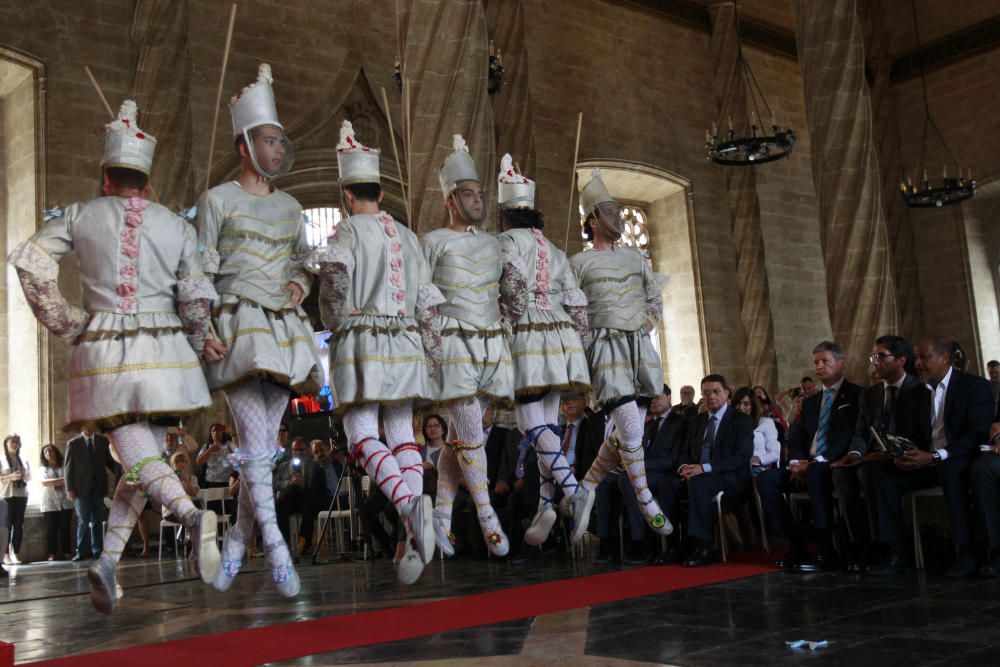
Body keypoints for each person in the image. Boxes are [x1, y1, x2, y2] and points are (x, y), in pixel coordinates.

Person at [8, 100, 222, 613]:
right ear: (146, 183)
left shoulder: (80, 214)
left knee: (135, 455)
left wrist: (69, 323)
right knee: (135, 462)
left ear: (105, 177)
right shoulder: (176, 224)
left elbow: (32, 267)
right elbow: (195, 299)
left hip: (107, 354)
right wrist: (200, 343)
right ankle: (106, 561)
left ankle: (193, 518)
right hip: (167, 353)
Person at [198, 64, 324, 597]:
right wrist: (201, 326)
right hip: (239, 323)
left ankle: (235, 543)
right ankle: (274, 545)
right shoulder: (216, 200)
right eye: (269, 140)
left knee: (263, 444)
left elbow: (302, 262)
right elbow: (199, 271)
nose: (277, 149)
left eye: (280, 140)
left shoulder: (293, 206)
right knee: (256, 443)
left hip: (285, 327)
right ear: (245, 144)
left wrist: (299, 286)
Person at [319, 120, 440, 584]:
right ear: (381, 193)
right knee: (402, 433)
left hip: (363, 340)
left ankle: (410, 507)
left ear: (348, 195)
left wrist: (334, 320)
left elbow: (333, 284)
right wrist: (429, 355)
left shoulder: (348, 232)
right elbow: (428, 306)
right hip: (407, 340)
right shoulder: (411, 238)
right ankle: (415, 519)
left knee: (361, 431)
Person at [495, 155, 593, 549]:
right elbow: (576, 303)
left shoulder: (506, 241)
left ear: (506, 215)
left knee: (528, 420)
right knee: (547, 425)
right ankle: (545, 502)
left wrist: (504, 323)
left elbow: (513, 291)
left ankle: (574, 490)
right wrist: (580, 346)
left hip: (529, 335)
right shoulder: (554, 248)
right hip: (562, 337)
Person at [422, 135, 512, 558]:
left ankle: (440, 515)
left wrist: (509, 326)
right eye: (469, 193)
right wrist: (426, 343)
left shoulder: (495, 243)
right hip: (451, 339)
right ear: (451, 200)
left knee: (459, 434)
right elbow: (421, 294)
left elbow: (511, 291)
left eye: (480, 193)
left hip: (490, 341)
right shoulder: (434, 240)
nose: (478, 200)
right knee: (469, 422)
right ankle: (485, 511)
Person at [570, 169, 672, 540]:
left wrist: (649, 321)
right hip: (604, 345)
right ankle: (646, 499)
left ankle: (586, 488)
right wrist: (583, 343)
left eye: (618, 212)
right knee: (628, 421)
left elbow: (654, 295)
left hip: (639, 346)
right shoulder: (578, 263)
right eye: (610, 213)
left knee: (630, 429)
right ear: (593, 220)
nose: (618, 218)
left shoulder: (634, 258)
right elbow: (571, 306)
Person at [869, 337, 994, 578]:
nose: (918, 363)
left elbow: (977, 434)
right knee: (882, 474)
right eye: (917, 358)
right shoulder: (917, 392)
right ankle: (896, 553)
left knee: (951, 469)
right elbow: (912, 431)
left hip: (959, 458)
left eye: (924, 357)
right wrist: (904, 452)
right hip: (926, 460)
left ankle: (965, 553)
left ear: (944, 358)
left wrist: (937, 455)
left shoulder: (974, 386)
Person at [757, 341, 862, 573]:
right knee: (767, 480)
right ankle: (797, 545)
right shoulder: (812, 402)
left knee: (815, 472)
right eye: (816, 362)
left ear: (841, 363)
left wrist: (816, 462)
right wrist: (795, 463)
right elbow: (795, 437)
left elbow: (847, 436)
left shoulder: (856, 395)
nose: (820, 367)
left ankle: (826, 549)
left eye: (825, 361)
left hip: (835, 463)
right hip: (805, 465)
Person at [831, 335, 928, 572]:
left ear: (901, 360)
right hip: (872, 459)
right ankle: (861, 548)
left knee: (873, 474)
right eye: (874, 357)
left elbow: (923, 434)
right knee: (841, 474)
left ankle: (893, 550)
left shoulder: (920, 391)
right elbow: (861, 432)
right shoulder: (871, 394)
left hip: (908, 460)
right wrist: (854, 453)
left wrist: (887, 455)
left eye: (881, 356)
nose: (875, 361)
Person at [656, 375, 754, 566]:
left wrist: (704, 468)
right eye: (706, 393)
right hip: (696, 474)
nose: (711, 397)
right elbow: (684, 453)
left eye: (716, 392)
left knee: (700, 483)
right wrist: (685, 467)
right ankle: (674, 544)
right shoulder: (696, 421)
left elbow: (741, 457)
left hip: (729, 478)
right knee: (667, 483)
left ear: (726, 393)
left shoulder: (740, 420)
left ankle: (704, 545)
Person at [64, 428, 114, 561]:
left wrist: (123, 472)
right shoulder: (73, 443)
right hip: (81, 488)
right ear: (81, 427)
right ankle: (81, 551)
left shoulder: (103, 441)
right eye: (85, 425)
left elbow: (110, 461)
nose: (88, 427)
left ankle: (97, 550)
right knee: (83, 520)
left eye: (91, 425)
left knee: (98, 519)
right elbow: (68, 468)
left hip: (99, 487)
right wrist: (69, 489)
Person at [274, 437, 327, 556]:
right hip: (292, 501)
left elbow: (316, 489)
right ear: (291, 450)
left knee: (307, 505)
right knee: (287, 496)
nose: (298, 453)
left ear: (307, 450)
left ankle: (304, 541)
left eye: (301, 450)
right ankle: (284, 541)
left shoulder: (314, 465)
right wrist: (288, 483)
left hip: (309, 498)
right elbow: (275, 483)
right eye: (295, 450)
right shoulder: (284, 466)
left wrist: (303, 484)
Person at [40, 444, 75, 561]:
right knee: (51, 529)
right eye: (45, 452)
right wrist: (63, 480)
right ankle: (52, 553)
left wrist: (54, 482)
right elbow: (44, 482)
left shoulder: (65, 465)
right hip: (50, 502)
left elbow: (71, 477)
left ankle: (66, 552)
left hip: (66, 501)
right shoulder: (43, 468)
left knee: (65, 528)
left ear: (55, 451)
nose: (48, 453)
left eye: (50, 451)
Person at [732, 387, 780, 471]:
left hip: (757, 467)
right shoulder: (729, 425)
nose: (741, 407)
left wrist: (759, 459)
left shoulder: (766, 423)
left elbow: (775, 453)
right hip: (734, 467)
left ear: (752, 406)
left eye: (746, 404)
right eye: (738, 403)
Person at [1, 434, 30, 565]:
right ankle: (5, 555)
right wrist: (11, 477)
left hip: (21, 495)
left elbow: (29, 476)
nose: (15, 443)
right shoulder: (1, 459)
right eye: (13, 441)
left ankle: (16, 553)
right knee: (7, 526)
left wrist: (23, 476)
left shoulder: (23, 459)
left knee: (19, 525)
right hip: (7, 495)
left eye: (17, 441)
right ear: (6, 443)